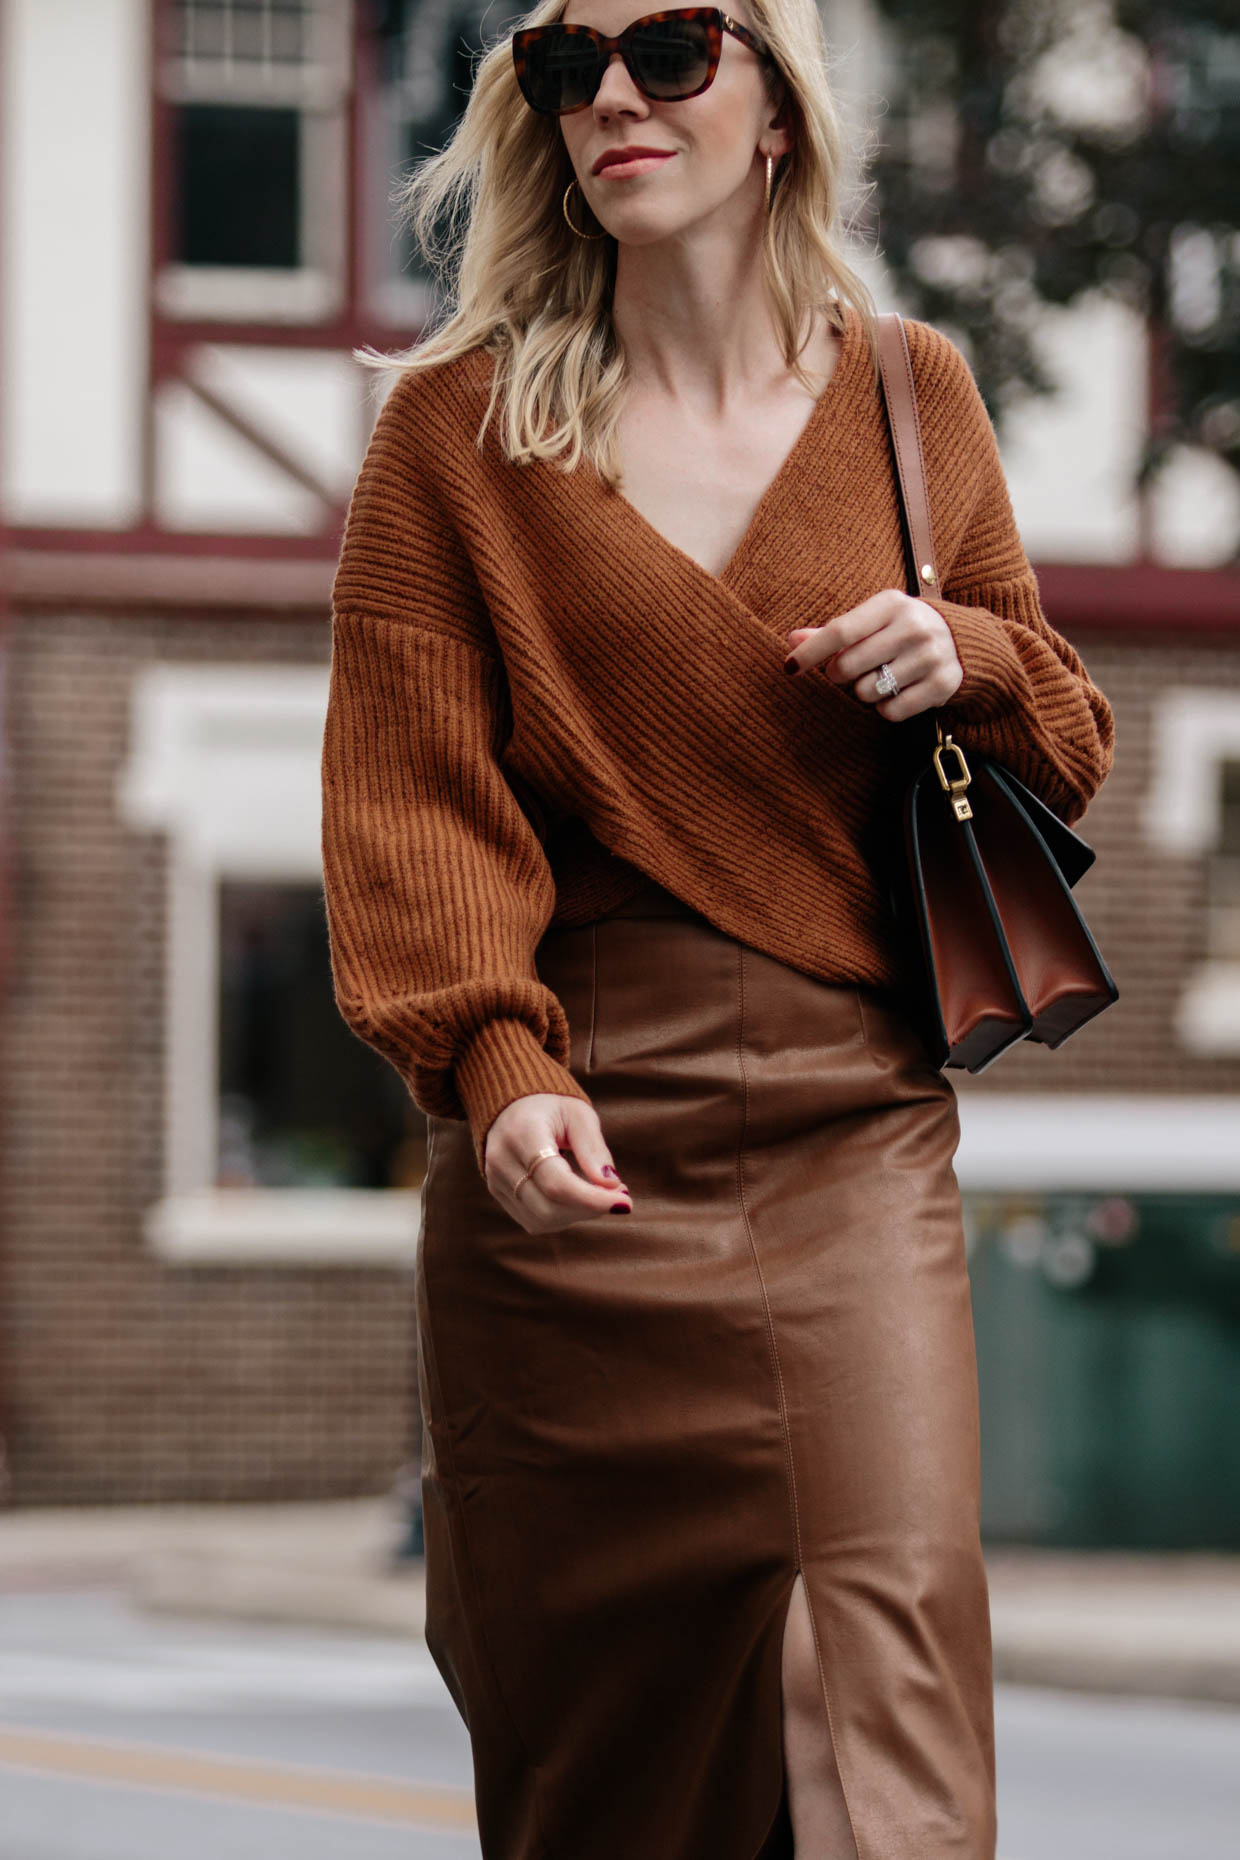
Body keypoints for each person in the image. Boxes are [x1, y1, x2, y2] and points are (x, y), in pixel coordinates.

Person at [319, 2, 1115, 1855]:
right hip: (568, 1160)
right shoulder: (450, 434)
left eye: (671, 48)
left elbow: (1066, 738)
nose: (611, 94)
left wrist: (966, 657)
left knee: (882, 1661)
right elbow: (406, 797)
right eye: (561, 63)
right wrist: (495, 1067)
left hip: (856, 1135)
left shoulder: (914, 395)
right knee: (606, 1737)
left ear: (777, 104)